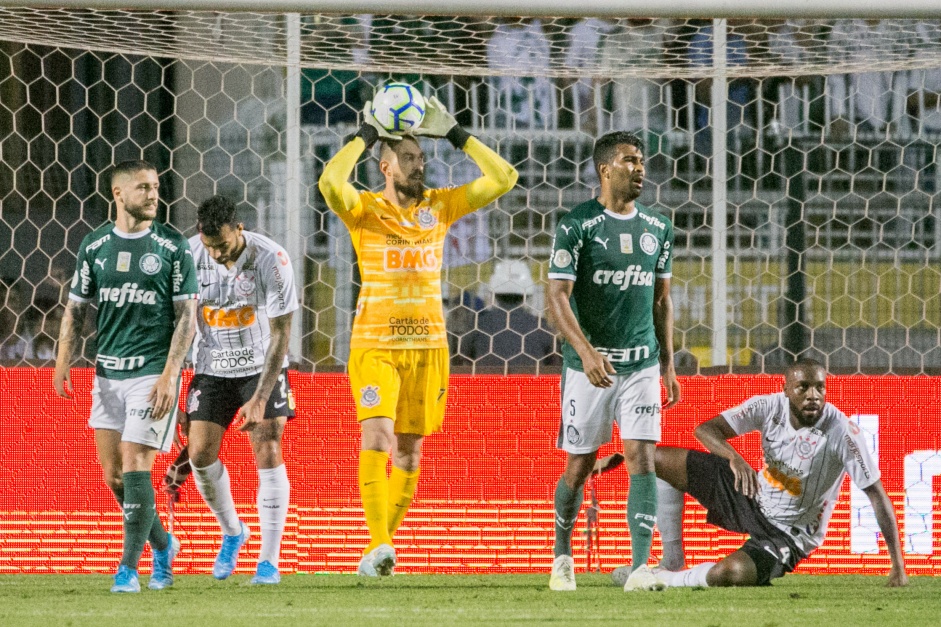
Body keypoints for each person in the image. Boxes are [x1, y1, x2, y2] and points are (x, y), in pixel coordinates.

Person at [318, 92, 518, 577]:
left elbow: (504, 177)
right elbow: (329, 180)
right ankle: (380, 542)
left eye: (422, 157)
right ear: (385, 166)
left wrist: (455, 134)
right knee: (379, 436)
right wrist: (367, 132)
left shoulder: (439, 207)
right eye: (408, 158)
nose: (419, 165)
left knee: (410, 449)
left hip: (429, 345)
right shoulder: (363, 210)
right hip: (376, 347)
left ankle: (377, 552)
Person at [621, 359, 908, 589]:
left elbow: (877, 495)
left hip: (787, 533)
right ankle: (672, 561)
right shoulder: (769, 406)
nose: (813, 396)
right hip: (752, 493)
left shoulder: (842, 433)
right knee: (653, 458)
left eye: (820, 388)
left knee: (728, 573)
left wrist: (898, 566)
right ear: (785, 390)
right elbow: (705, 429)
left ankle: (662, 578)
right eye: (803, 387)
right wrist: (734, 457)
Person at [53, 159, 198, 593]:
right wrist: (64, 360)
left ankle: (130, 570)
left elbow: (187, 316)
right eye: (143, 188)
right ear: (118, 194)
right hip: (107, 375)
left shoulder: (172, 246)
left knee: (137, 466)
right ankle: (162, 542)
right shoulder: (95, 246)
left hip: (152, 373)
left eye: (155, 186)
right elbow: (76, 308)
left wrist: (170, 375)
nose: (154, 194)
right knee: (114, 477)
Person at [546, 130, 680, 592]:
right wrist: (584, 353)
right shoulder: (577, 224)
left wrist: (667, 363)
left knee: (642, 455)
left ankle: (641, 567)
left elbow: (661, 301)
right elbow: (556, 295)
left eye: (642, 160)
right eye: (629, 160)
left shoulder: (659, 227)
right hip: (589, 370)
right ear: (605, 170)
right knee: (579, 465)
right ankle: (562, 556)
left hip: (640, 362)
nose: (640, 168)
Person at [180, 195, 299, 585]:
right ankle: (233, 531)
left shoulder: (272, 259)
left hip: (260, 364)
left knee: (267, 445)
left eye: (224, 246)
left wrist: (261, 397)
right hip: (212, 367)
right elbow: (182, 323)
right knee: (199, 454)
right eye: (210, 245)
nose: (217, 254)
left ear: (240, 229)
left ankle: (268, 561)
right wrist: (177, 380)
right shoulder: (190, 255)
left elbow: (282, 332)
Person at [457, 259, 558, 372]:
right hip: (528, 387)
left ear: (494, 293)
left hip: (488, 387)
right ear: (527, 294)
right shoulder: (541, 327)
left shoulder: (479, 324)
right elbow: (554, 364)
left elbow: (464, 357)